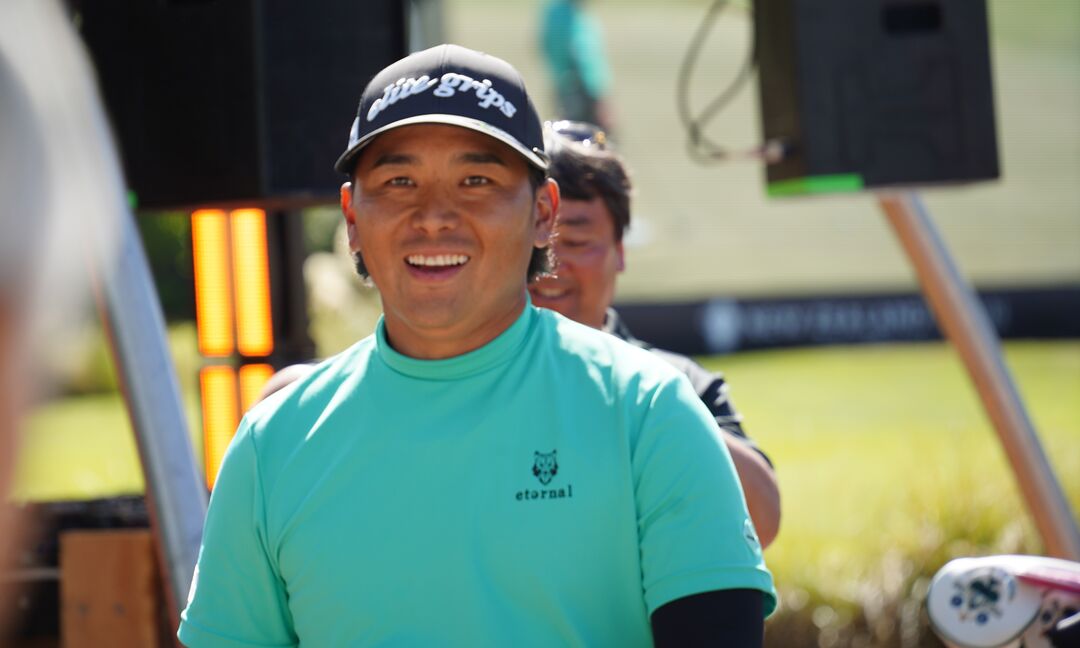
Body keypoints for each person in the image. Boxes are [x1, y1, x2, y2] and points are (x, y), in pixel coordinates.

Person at [180, 44, 775, 646]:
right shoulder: (272, 444)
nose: (434, 215)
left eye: (476, 181)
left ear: (543, 213)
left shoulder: (649, 410)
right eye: (399, 181)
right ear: (353, 218)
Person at [530, 121, 782, 548]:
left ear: (620, 251)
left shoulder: (676, 383)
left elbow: (761, 519)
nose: (552, 266)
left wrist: (631, 393)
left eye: (576, 240)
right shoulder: (463, 372)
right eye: (536, 244)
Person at [539, 0, 615, 132]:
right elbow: (583, 58)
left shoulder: (554, 10)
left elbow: (544, 45)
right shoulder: (574, 15)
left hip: (563, 89)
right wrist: (599, 100)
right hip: (582, 94)